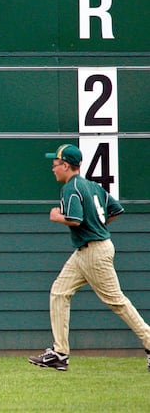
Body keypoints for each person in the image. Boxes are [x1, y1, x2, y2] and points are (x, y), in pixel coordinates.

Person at [29, 144, 150, 372]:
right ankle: (60, 353)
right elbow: (116, 210)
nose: (53, 169)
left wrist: (57, 217)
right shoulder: (93, 186)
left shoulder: (70, 188)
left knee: (117, 302)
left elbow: (74, 219)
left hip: (94, 251)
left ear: (66, 165)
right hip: (87, 250)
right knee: (59, 292)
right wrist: (97, 225)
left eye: (55, 164)